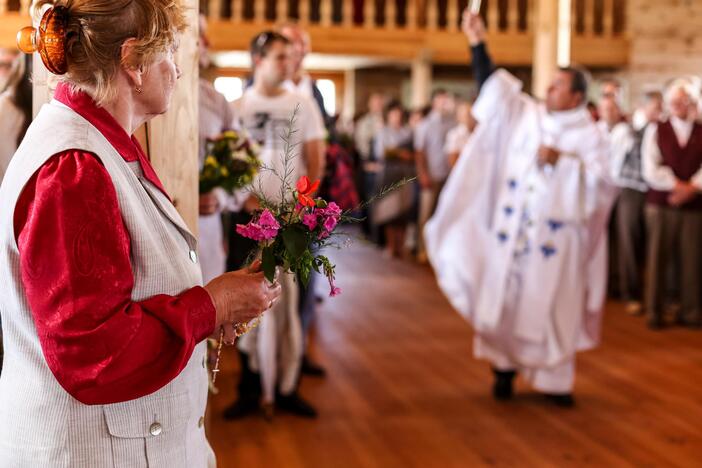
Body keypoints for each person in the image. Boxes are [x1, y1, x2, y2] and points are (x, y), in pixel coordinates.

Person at [0, 1, 281, 465]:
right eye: (169, 49)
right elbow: (91, 351)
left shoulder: (104, 142)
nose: (177, 67)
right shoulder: (73, 168)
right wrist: (214, 305)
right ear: (132, 61)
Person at [425, 10, 617, 407]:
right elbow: (491, 88)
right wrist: (477, 41)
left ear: (577, 97)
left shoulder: (592, 136)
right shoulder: (526, 116)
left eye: (557, 86)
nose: (547, 90)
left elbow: (603, 188)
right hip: (511, 234)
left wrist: (564, 162)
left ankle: (554, 382)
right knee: (506, 301)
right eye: (549, 84)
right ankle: (503, 370)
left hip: (558, 243)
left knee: (551, 308)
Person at [225, 31, 326, 420]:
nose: (289, 63)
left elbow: (315, 160)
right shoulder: (237, 107)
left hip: (291, 221)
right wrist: (245, 201)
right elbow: (230, 163)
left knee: (290, 306)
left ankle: (288, 387)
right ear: (258, 60)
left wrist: (303, 208)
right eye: (280, 57)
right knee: (247, 304)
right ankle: (249, 389)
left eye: (290, 56)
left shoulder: (303, 104)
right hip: (249, 220)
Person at [642, 80, 702, 329]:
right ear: (668, 102)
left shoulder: (700, 129)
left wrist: (693, 188)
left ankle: (691, 312)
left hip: (695, 204)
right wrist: (676, 186)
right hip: (661, 203)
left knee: (693, 261)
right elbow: (650, 167)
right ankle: (654, 311)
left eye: (684, 98)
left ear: (692, 101)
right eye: (675, 99)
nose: (679, 103)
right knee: (657, 259)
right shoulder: (656, 129)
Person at [609, 91, 663, 315]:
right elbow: (614, 159)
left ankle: (655, 295)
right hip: (630, 189)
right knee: (629, 241)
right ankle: (631, 293)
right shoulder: (627, 129)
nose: (659, 112)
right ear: (645, 107)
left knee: (653, 245)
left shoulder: (661, 130)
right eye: (656, 107)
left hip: (655, 191)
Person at [197, 13, 237, 284]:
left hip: (206, 228)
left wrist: (221, 195)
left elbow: (245, 160)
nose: (207, 41)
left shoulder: (216, 101)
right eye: (199, 34)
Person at [414, 88, 456, 263]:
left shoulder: (452, 123)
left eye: (446, 100)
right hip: (431, 174)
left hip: (449, 175)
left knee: (444, 213)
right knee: (426, 214)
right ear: (434, 102)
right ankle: (422, 249)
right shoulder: (425, 124)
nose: (445, 103)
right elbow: (419, 151)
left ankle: (439, 252)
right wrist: (423, 174)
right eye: (441, 100)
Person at [372, 100, 415, 258]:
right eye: (393, 114)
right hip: (388, 175)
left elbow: (413, 154)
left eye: (399, 114)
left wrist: (401, 154)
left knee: (403, 212)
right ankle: (390, 246)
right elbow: (381, 153)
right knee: (388, 211)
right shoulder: (383, 133)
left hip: (404, 174)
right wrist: (398, 153)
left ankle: (401, 246)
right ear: (388, 115)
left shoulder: (407, 132)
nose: (396, 117)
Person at [445, 99, 477, 168]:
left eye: (471, 115)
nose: (469, 118)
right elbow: (452, 161)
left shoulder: (477, 132)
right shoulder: (454, 135)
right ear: (458, 117)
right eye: (466, 115)